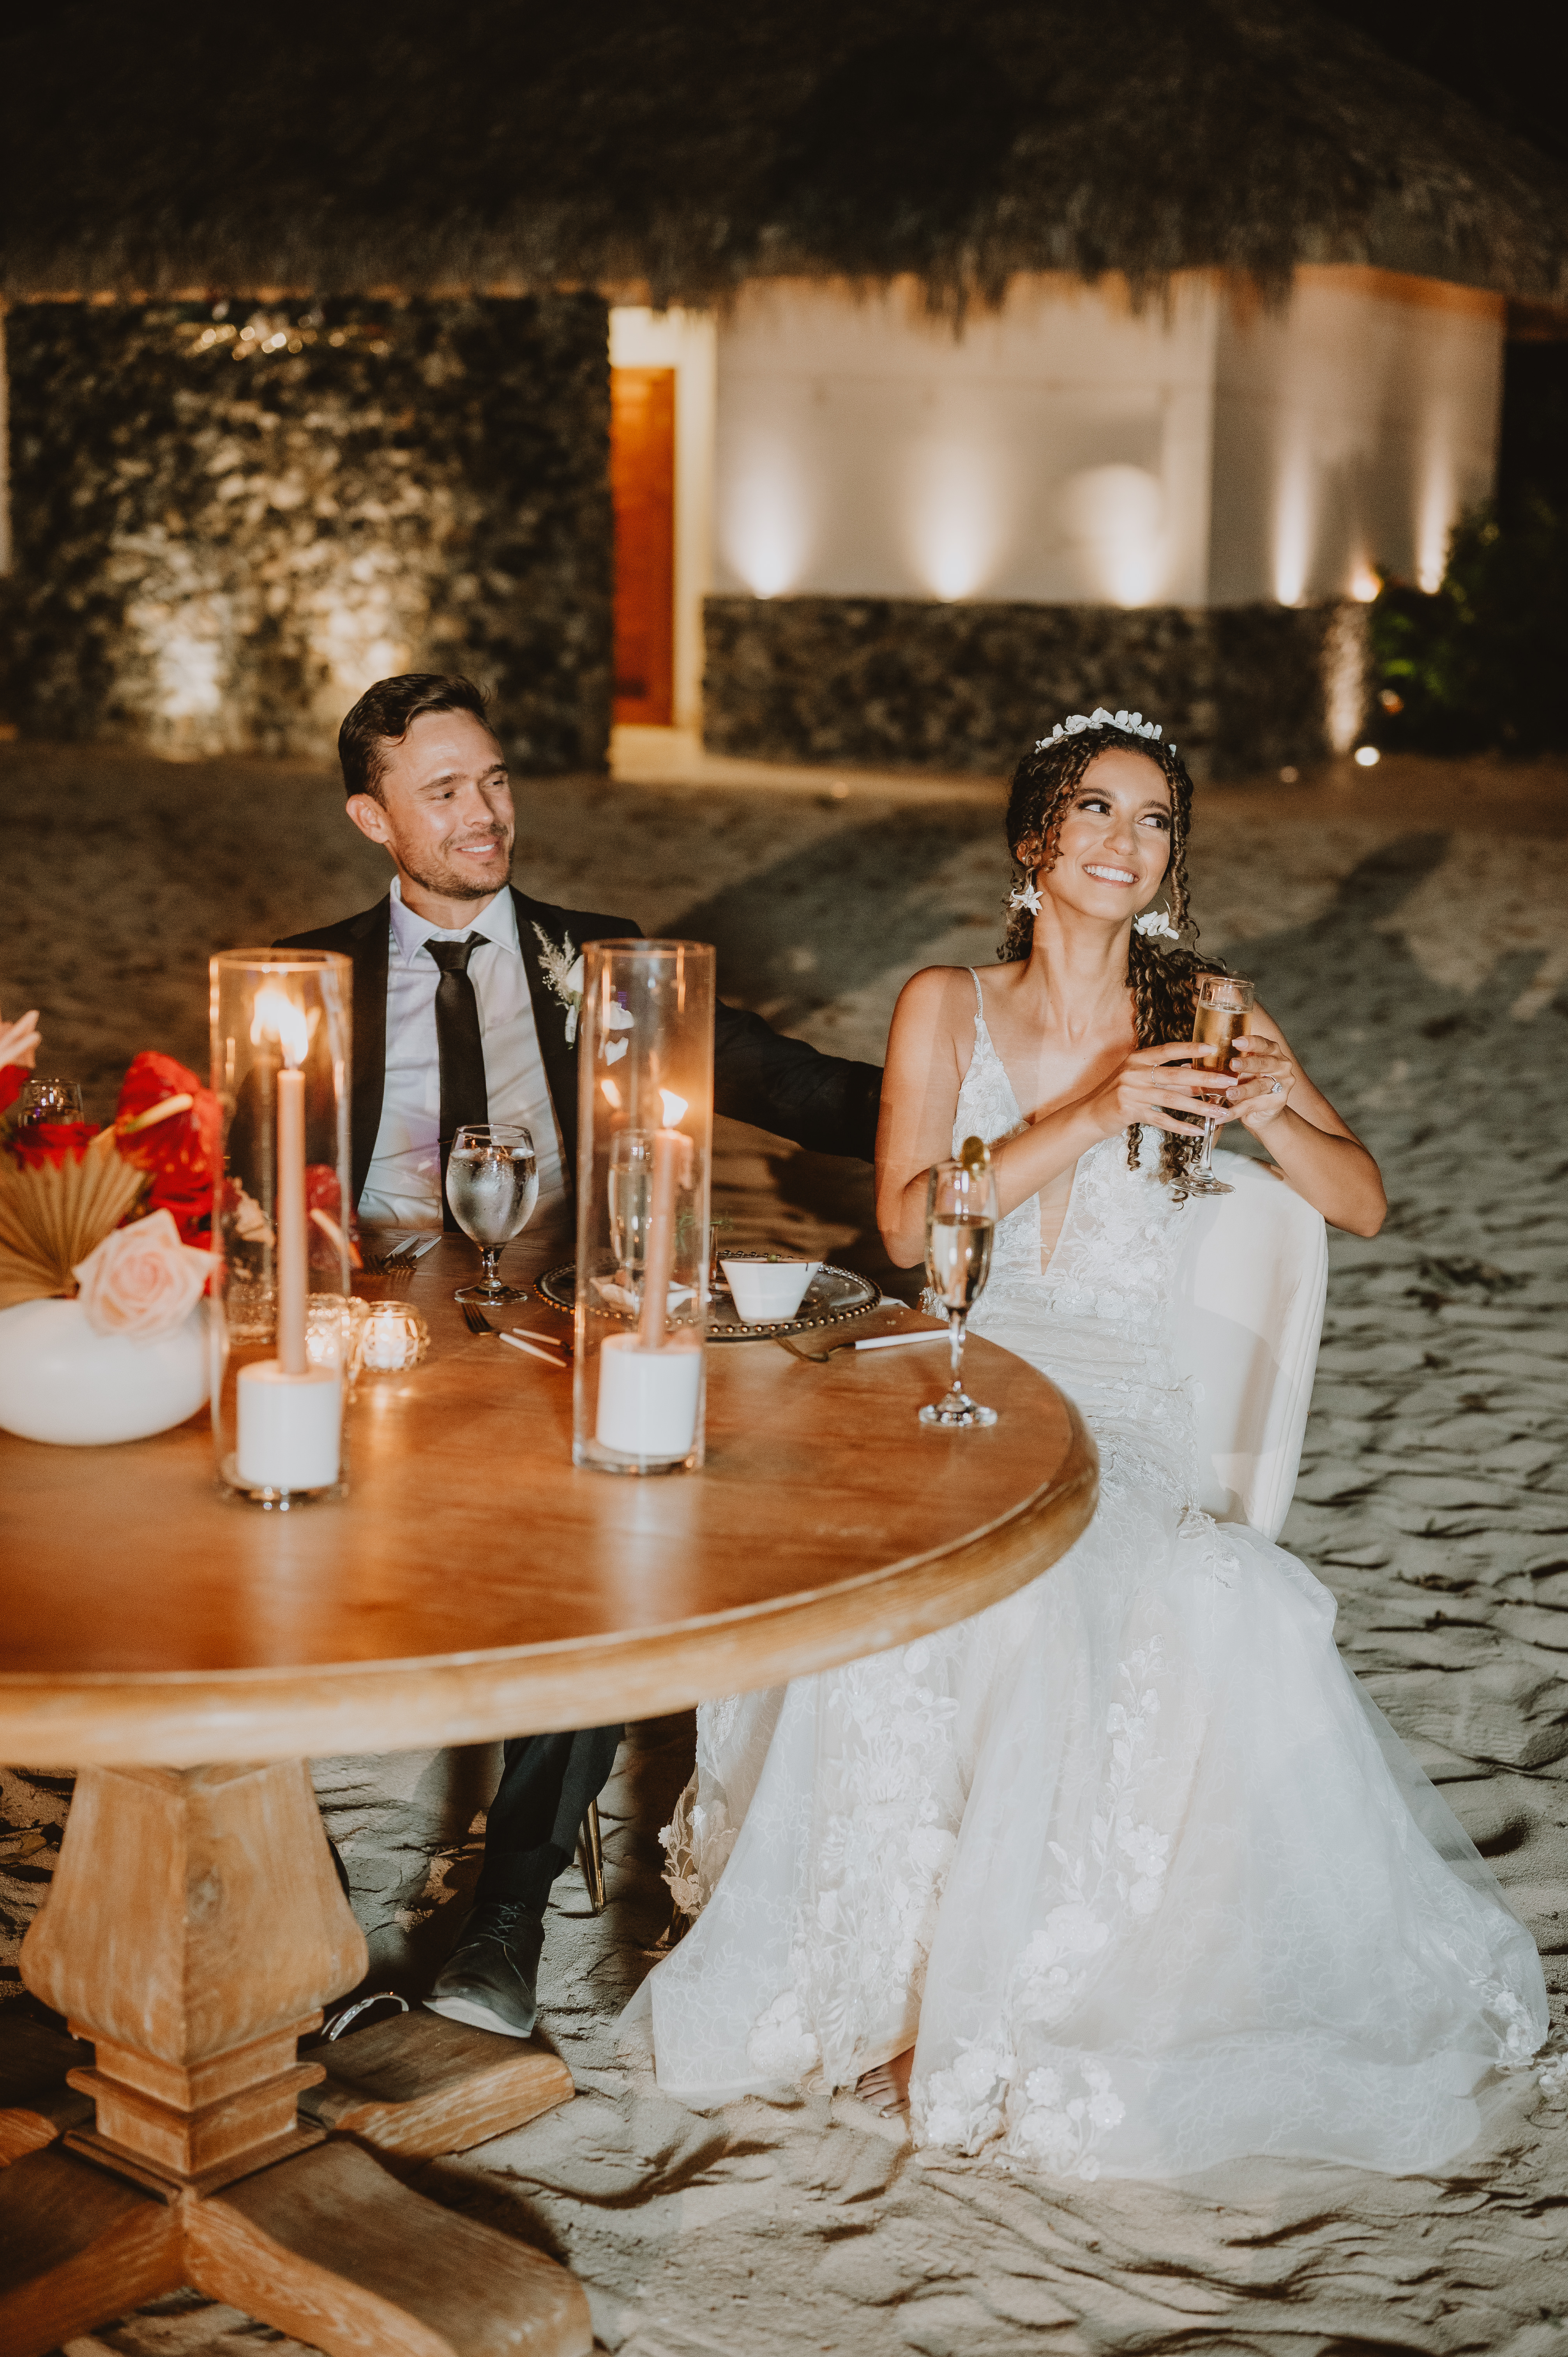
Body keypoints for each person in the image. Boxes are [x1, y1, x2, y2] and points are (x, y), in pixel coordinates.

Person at [640, 708, 1547, 2179]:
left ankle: (990, 2000)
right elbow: (907, 1222)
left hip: (1120, 1399)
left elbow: (1364, 1201)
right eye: (1098, 813)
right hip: (961, 1358)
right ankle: (877, 1978)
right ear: (1033, 842)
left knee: (1057, 1586)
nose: (1130, 844)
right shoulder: (946, 1004)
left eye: (1156, 821)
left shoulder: (1212, 1013)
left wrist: (1270, 1116)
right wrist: (1093, 1108)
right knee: (889, 1577)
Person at [280, 673, 881, 2040]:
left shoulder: (597, 959)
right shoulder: (309, 976)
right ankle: (279, 1902)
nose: (486, 814)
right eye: (444, 793)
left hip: (563, 1341)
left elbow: (794, 1085)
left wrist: (982, 1097)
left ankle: (508, 1910)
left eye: (493, 779)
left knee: (604, 1555)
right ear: (373, 819)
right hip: (377, 1350)